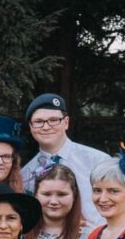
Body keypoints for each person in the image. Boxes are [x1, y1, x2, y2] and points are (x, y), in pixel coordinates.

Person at [21, 92, 109, 225]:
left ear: (66, 122)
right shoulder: (25, 174)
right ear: (31, 127)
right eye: (38, 122)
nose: (46, 127)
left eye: (54, 120)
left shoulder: (98, 161)